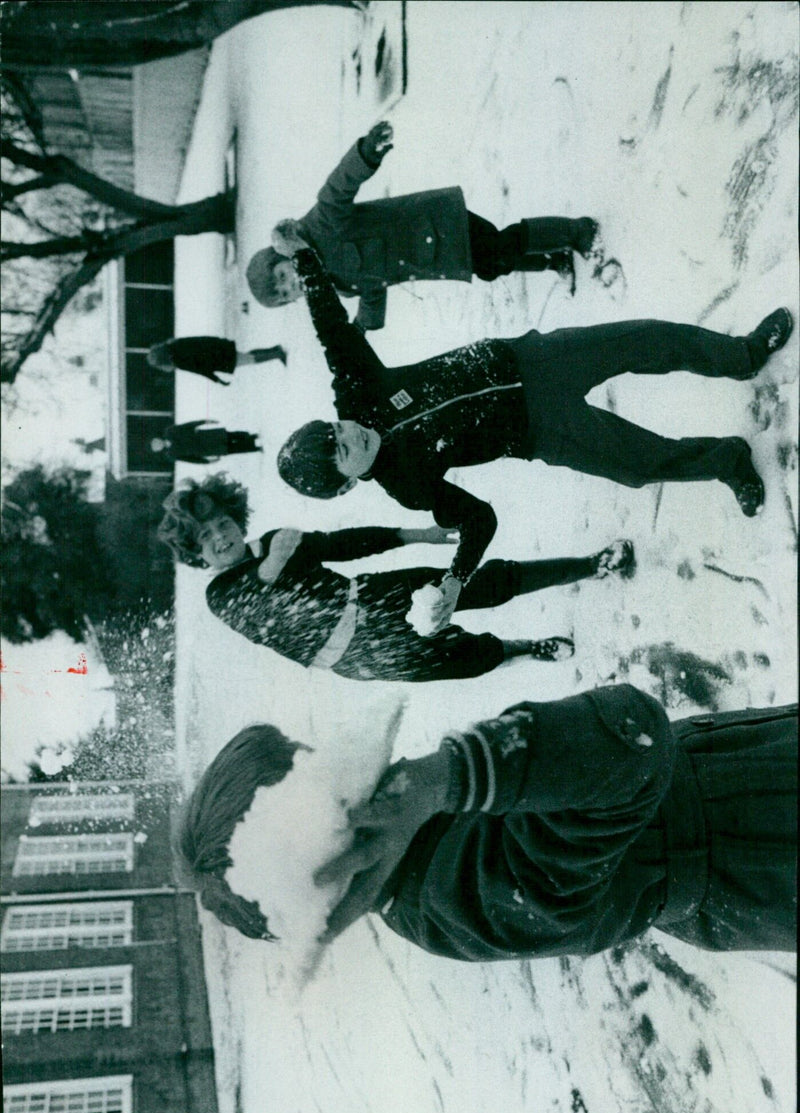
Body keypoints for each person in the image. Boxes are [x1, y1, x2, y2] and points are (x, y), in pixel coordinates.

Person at [274, 230, 793, 636]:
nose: (351, 433)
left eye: (337, 429)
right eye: (342, 451)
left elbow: (332, 330)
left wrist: (304, 260)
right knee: (636, 465)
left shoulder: (357, 393)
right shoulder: (406, 486)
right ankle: (727, 460)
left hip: (529, 360)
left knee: (641, 341)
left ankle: (743, 355)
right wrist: (456, 578)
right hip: (538, 431)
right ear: (345, 484)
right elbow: (478, 519)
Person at [179, 686, 797, 957]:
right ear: (327, 850)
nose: (341, 760)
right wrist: (444, 775)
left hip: (734, 778)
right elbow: (629, 739)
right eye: (316, 774)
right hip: (756, 848)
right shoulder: (454, 901)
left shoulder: (423, 839)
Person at [157, 474, 636, 683]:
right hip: (360, 654)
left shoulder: (273, 541)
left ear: (234, 517)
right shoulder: (219, 595)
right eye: (206, 538)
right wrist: (270, 567)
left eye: (222, 523)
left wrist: (418, 533)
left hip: (372, 597)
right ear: (197, 555)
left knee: (483, 584)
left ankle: (591, 565)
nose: (221, 536)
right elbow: (253, 609)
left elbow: (343, 543)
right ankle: (525, 649)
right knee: (467, 660)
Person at [245, 121, 605, 330]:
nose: (290, 285)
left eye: (280, 277)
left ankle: (576, 231)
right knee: (492, 264)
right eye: (284, 294)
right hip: (436, 255)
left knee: (496, 249)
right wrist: (361, 328)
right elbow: (373, 288)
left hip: (435, 223)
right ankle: (551, 259)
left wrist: (366, 154)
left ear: (281, 255)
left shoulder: (319, 228)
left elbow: (337, 187)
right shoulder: (333, 282)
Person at [147, 337, 287, 387]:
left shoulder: (178, 361)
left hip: (219, 360)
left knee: (249, 359)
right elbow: (200, 339)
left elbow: (200, 370)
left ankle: (276, 354)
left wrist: (217, 380)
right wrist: (219, 341)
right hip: (218, 348)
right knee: (246, 356)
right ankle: (275, 350)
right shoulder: (176, 344)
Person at [150, 421, 261, 465]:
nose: (159, 445)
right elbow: (190, 459)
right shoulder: (171, 454)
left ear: (158, 438)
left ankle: (251, 437)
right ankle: (254, 447)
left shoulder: (169, 431)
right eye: (157, 447)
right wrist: (207, 461)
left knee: (230, 435)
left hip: (205, 436)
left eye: (157, 442)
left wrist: (204, 421)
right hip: (204, 450)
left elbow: (187, 426)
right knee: (232, 449)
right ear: (159, 450)